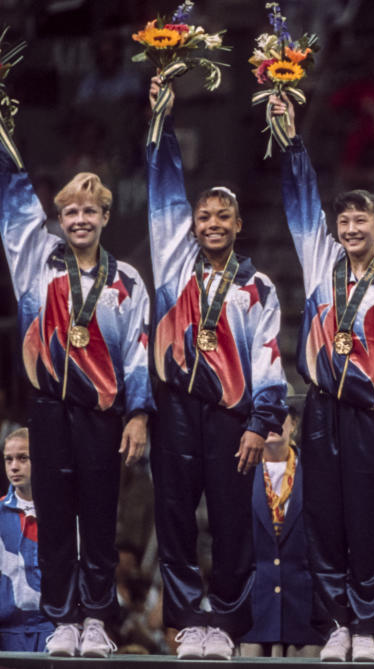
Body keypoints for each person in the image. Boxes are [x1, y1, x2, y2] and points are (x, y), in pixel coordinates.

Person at [270, 94, 374, 662]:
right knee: (322, 519)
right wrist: (291, 138)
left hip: (371, 414)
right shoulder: (320, 263)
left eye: (362, 219)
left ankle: (366, 626)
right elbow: (299, 200)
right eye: (344, 221)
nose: (351, 227)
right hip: (319, 409)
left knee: (365, 519)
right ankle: (337, 625)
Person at [146, 77, 287, 660]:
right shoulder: (173, 268)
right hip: (175, 408)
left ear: (237, 227)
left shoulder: (257, 287)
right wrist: (163, 124)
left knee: (231, 522)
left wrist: (261, 422)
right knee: (175, 517)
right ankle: (184, 621)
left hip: (232, 417)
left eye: (222, 217)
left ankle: (227, 624)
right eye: (204, 217)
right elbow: (164, 194)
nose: (211, 224)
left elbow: (269, 356)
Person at [0, 134, 153, 658]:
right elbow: (16, 206)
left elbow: (137, 351)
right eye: (69, 211)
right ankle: (63, 617)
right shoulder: (37, 264)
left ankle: (96, 619)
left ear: (106, 216)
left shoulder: (127, 281)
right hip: (47, 409)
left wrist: (138, 414)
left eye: (90, 210)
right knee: (57, 518)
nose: (79, 219)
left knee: (99, 518)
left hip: (103, 415)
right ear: (59, 220)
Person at [240, 396, 329, 658]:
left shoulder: (317, 474)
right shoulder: (239, 474)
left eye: (278, 416)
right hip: (253, 613)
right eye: (262, 418)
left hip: (306, 614)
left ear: (295, 424)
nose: (271, 424)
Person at [0, 429, 54, 651]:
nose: (14, 467)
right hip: (6, 633)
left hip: (55, 632)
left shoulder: (63, 512)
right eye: (8, 459)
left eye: (23, 458)